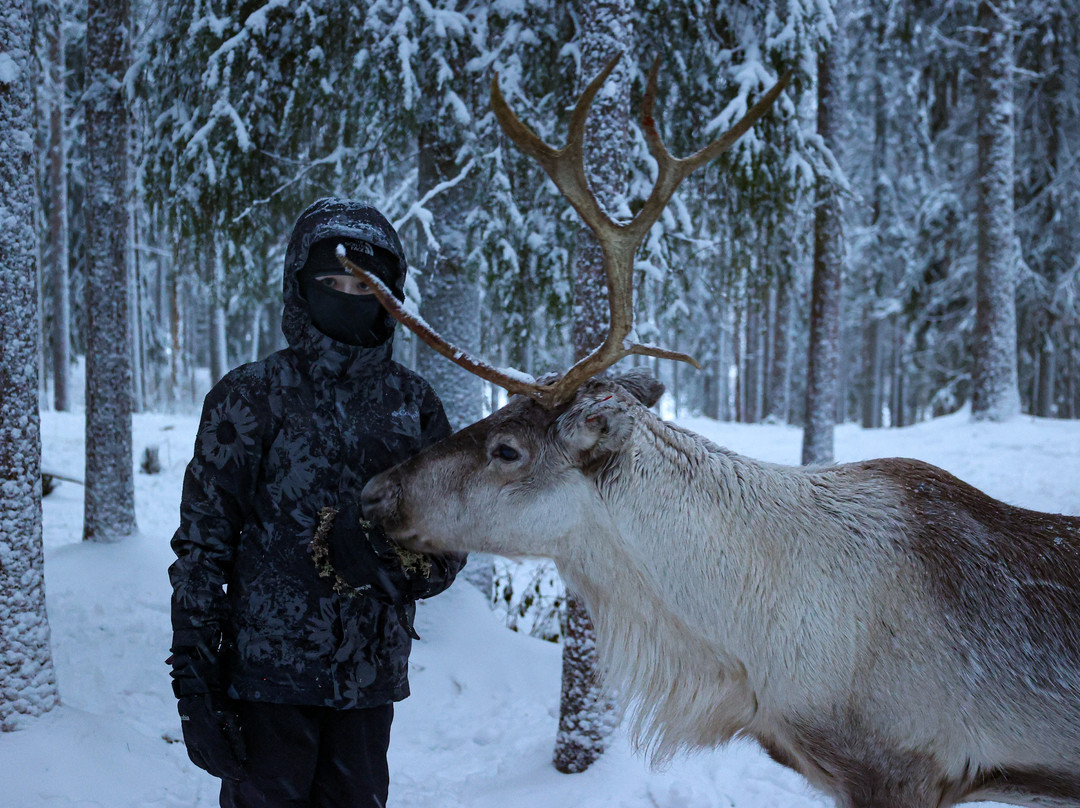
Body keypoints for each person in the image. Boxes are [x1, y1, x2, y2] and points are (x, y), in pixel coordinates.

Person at [168, 198, 466, 808]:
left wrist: (391, 566)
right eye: (331, 281)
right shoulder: (251, 396)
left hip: (368, 684)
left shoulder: (415, 405)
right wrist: (196, 682)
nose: (347, 294)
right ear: (299, 286)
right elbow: (202, 546)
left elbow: (451, 539)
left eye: (363, 284)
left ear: (390, 292)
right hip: (264, 684)